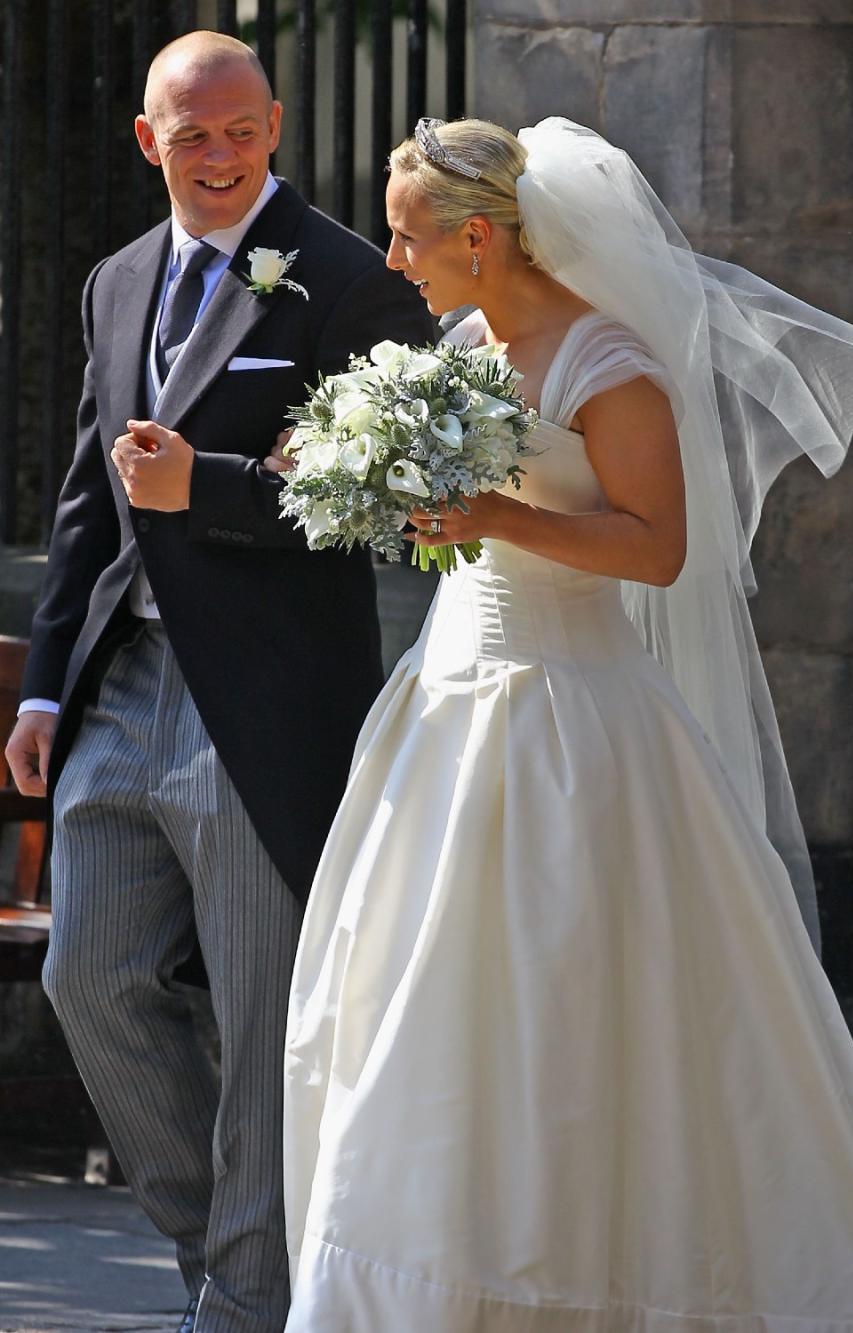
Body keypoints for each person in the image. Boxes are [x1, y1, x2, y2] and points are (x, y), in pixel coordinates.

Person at [275, 117, 853, 1330]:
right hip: (449, 710)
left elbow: (659, 546)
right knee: (419, 1011)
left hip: (572, 731)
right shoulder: (462, 340)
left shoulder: (612, 364)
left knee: (576, 1017)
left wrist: (495, 509)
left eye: (406, 233)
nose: (391, 257)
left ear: (478, 235)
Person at [3, 31, 431, 1333]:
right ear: (150, 142)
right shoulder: (117, 279)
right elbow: (90, 496)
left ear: (278, 126)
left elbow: (395, 503)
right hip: (120, 696)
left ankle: (245, 1306)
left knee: (259, 1021)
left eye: (242, 130)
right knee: (92, 977)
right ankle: (233, 1260)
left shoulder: (349, 280)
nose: (222, 155)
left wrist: (219, 490)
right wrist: (43, 690)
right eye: (193, 134)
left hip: (265, 703)